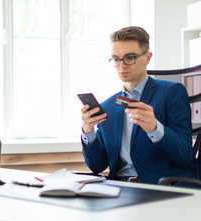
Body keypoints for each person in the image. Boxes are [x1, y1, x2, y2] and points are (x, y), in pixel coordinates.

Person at [81, 26, 197, 184]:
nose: (122, 65)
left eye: (130, 57)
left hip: (162, 187)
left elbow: (185, 156)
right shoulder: (107, 107)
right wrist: (88, 132)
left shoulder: (172, 93)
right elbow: (97, 166)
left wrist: (155, 128)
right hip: (120, 188)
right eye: (116, 59)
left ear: (148, 58)